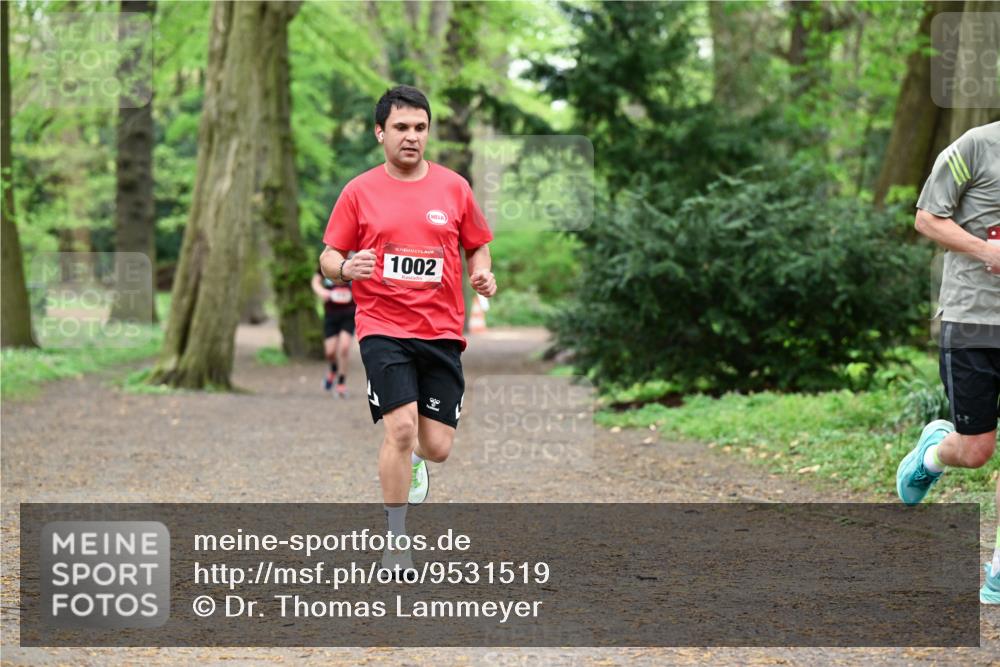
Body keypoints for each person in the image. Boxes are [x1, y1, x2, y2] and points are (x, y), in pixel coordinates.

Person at [318, 85, 496, 574]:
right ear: (380, 133)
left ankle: (415, 459)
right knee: (399, 429)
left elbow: (478, 244)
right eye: (400, 128)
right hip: (382, 326)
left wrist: (482, 272)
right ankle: (396, 542)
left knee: (435, 447)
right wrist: (343, 269)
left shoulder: (454, 188)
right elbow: (329, 254)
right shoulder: (359, 191)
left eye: (420, 128)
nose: (411, 137)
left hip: (440, 331)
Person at [895, 121, 1000, 604]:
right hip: (973, 318)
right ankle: (935, 452)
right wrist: (985, 250)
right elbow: (926, 217)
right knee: (976, 451)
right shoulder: (975, 147)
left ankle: (997, 570)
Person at [310, 265, 356, 397]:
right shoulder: (328, 260)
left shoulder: (354, 259)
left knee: (344, 348)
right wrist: (321, 292)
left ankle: (341, 384)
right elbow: (315, 280)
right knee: (330, 352)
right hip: (331, 314)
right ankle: (333, 370)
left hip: (349, 313)